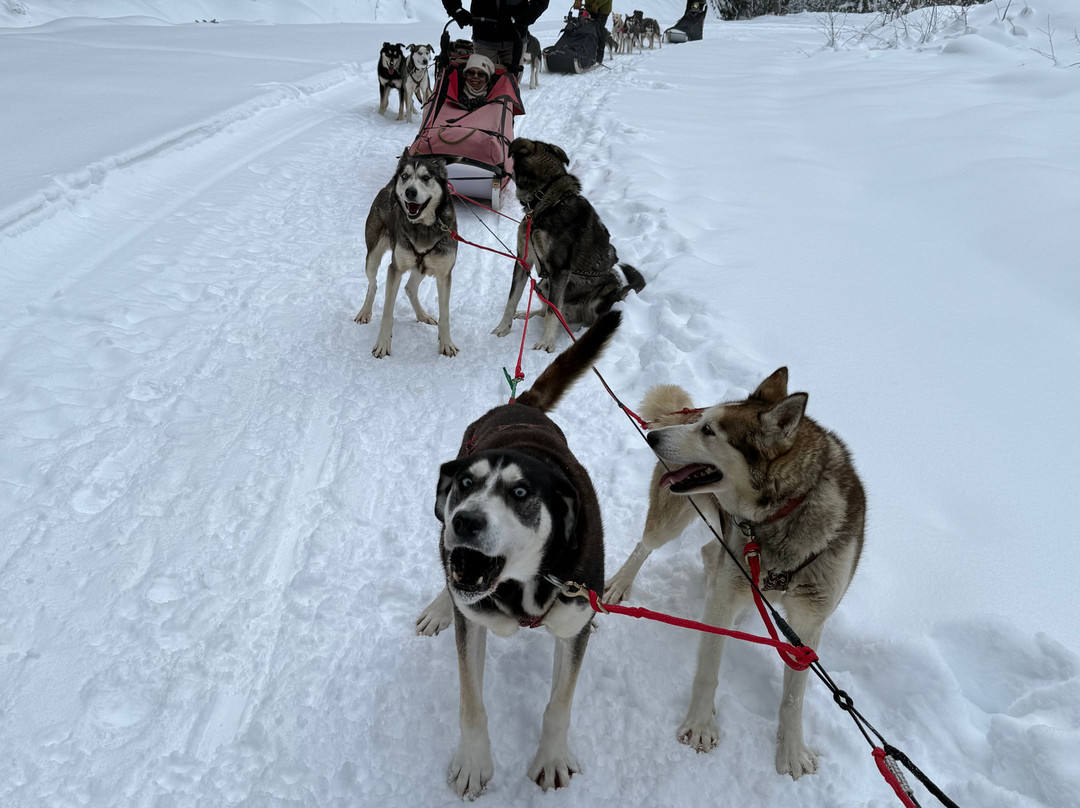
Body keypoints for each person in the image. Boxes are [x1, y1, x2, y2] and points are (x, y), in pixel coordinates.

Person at [441, 0, 550, 70]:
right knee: (480, 85)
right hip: (484, 38)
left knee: (510, 87)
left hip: (515, 39)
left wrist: (527, 15)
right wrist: (456, 9)